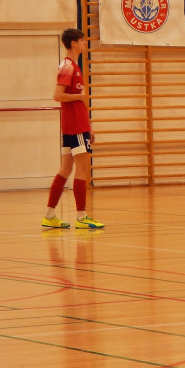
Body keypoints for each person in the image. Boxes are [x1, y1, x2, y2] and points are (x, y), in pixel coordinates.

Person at [42, 28, 105, 229]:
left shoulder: (74, 67)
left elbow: (80, 102)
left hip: (77, 124)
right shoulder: (68, 67)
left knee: (66, 168)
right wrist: (79, 97)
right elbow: (58, 95)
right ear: (74, 43)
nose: (85, 44)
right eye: (82, 41)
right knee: (82, 168)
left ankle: (50, 215)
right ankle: (81, 216)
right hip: (75, 125)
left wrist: (90, 125)